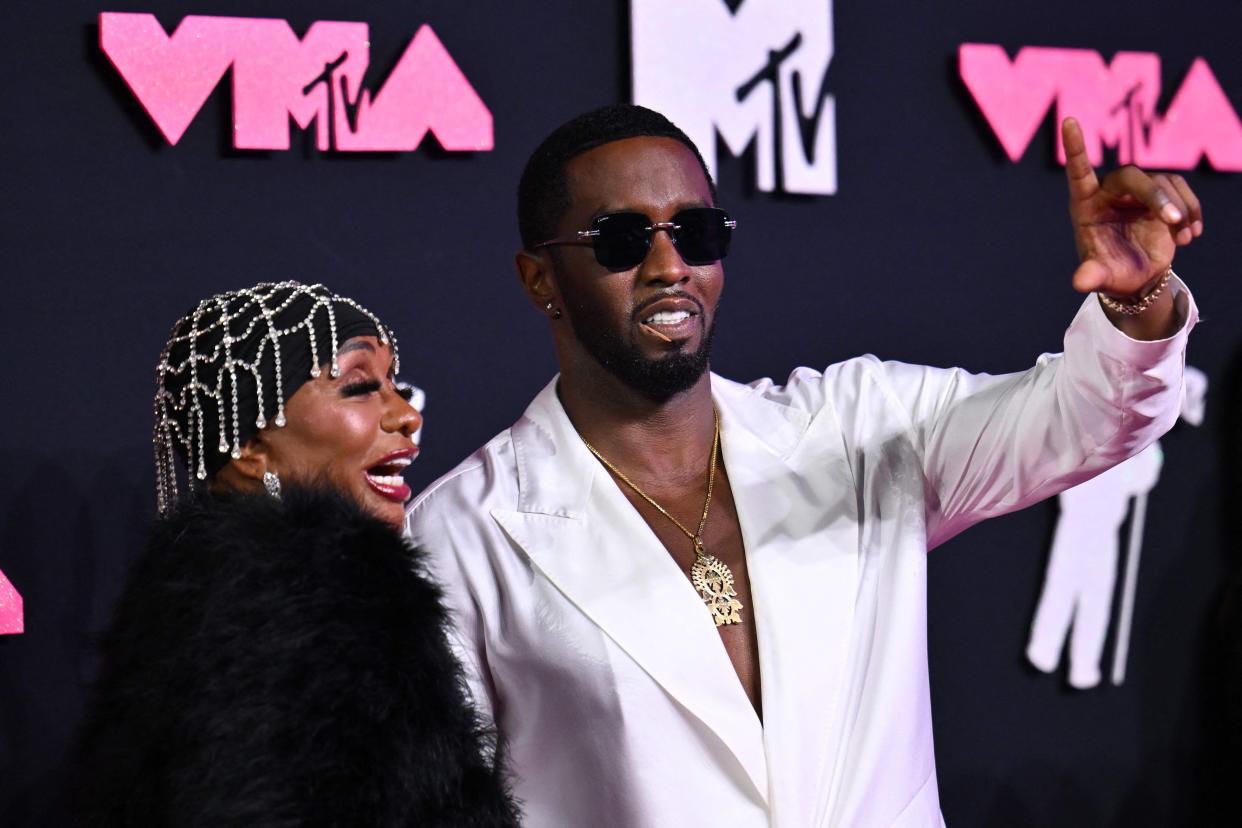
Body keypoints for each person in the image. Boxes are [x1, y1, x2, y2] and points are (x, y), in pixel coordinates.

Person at [405, 103, 1200, 826]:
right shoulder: (459, 537)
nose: (669, 265)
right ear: (539, 277)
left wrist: (1138, 299)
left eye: (697, 231)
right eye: (620, 239)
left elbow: (1087, 417)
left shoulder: (857, 430)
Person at [71, 282, 519, 827]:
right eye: (358, 388)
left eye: (395, 384)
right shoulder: (297, 609)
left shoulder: (212, 597)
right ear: (249, 450)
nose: (406, 415)